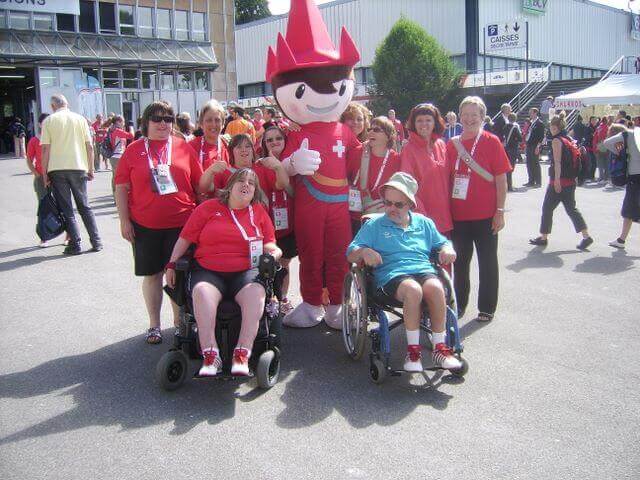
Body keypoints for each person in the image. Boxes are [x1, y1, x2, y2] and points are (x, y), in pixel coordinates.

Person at [165, 168, 282, 376]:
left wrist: (275, 253)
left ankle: (242, 354)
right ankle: (211, 355)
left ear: (255, 191)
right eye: (241, 180)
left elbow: (270, 243)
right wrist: (172, 264)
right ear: (230, 186)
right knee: (201, 292)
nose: (246, 185)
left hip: (246, 271)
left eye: (251, 183)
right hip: (209, 270)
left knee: (256, 293)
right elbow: (185, 239)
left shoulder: (258, 212)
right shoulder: (208, 208)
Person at [346, 172, 461, 371]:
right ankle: (413, 353)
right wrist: (364, 251)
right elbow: (350, 253)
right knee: (413, 290)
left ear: (410, 204)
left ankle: (440, 348)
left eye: (398, 204)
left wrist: (447, 249)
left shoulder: (424, 223)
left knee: (436, 287)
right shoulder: (374, 225)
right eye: (387, 203)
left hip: (422, 269)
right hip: (391, 275)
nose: (391, 209)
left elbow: (442, 243)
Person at [114, 101, 203, 345]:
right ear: (146, 123)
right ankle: (154, 324)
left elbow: (199, 185)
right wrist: (124, 220)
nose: (163, 123)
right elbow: (121, 187)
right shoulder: (133, 150)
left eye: (168, 119)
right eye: (157, 118)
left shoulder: (183, 147)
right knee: (153, 275)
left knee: (178, 275)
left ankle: (178, 323)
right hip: (145, 226)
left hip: (182, 226)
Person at [445, 96, 511, 323]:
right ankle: (459, 304)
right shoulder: (451, 144)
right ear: (459, 116)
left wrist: (500, 211)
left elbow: (501, 179)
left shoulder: (492, 141)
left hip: (486, 216)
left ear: (482, 117)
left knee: (488, 263)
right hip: (459, 216)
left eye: (474, 115)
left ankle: (486, 307)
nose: (469, 119)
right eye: (465, 114)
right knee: (460, 264)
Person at [41, 94, 102, 255]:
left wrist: (44, 174)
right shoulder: (80, 119)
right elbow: (90, 146)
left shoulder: (49, 121)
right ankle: (96, 241)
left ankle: (75, 244)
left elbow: (45, 149)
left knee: (66, 208)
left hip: (57, 169)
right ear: (67, 104)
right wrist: (91, 168)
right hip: (79, 167)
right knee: (84, 206)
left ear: (53, 106)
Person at [529, 114, 593, 250]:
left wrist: (556, 180)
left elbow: (557, 162)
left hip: (559, 181)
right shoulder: (568, 139)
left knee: (547, 208)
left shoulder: (557, 141)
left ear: (556, 127)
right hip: (570, 180)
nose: (550, 130)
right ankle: (586, 236)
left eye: (552, 127)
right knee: (571, 210)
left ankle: (544, 237)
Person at [260, 125, 297, 314]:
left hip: (290, 223)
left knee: (284, 264)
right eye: (269, 140)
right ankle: (270, 299)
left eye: (278, 138)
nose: (274, 142)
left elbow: (294, 192)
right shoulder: (260, 164)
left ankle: (283, 298)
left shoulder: (293, 162)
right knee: (268, 265)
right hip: (268, 225)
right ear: (264, 144)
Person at [400, 103, 452, 236]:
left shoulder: (441, 144)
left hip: (446, 217)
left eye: (428, 120)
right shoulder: (409, 149)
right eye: (419, 120)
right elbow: (407, 186)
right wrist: (421, 215)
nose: (424, 124)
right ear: (413, 124)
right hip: (424, 219)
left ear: (435, 123)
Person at [347, 115, 400, 235]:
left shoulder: (396, 159)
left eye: (376, 130)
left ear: (388, 135)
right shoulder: (357, 152)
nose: (371, 132)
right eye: (369, 129)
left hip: (383, 217)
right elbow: (343, 177)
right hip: (355, 216)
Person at [200, 133, 289, 200]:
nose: (244, 150)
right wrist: (210, 171)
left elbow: (282, 185)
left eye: (247, 146)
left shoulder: (262, 169)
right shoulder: (224, 173)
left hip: (260, 217)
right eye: (239, 147)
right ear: (231, 152)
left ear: (252, 150)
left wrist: (279, 167)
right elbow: (205, 188)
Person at [602, 124, 640, 250]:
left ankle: (621, 240)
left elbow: (607, 143)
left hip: (635, 177)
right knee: (629, 209)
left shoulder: (626, 135)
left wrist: (621, 151)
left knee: (629, 208)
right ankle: (621, 239)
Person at [188, 100, 230, 182]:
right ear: (201, 124)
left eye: (217, 120)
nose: (213, 124)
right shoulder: (191, 147)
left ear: (223, 124)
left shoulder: (229, 146)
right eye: (209, 120)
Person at [26, 113, 50, 247]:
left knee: (62, 206)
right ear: (40, 124)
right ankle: (44, 237)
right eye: (45, 122)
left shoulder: (55, 138)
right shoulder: (34, 140)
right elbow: (29, 159)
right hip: (41, 178)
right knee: (43, 208)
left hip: (56, 176)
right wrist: (36, 174)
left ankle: (68, 236)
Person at [105, 115, 134, 193]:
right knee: (119, 177)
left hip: (116, 156)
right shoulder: (117, 131)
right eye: (123, 121)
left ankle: (116, 195)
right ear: (118, 122)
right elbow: (131, 136)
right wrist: (131, 127)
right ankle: (117, 195)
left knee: (115, 176)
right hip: (117, 156)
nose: (124, 123)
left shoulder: (114, 130)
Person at [524, 107, 545, 187]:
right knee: (529, 163)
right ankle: (531, 181)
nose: (529, 114)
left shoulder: (540, 123)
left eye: (531, 113)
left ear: (535, 113)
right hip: (529, 144)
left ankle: (538, 182)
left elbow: (541, 136)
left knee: (535, 163)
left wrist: (538, 146)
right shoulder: (530, 122)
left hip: (535, 145)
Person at [503, 112, 522, 192]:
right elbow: (520, 138)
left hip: (506, 148)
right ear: (515, 119)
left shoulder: (505, 126)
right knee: (511, 168)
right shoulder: (515, 128)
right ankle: (509, 186)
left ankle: (506, 184)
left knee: (506, 167)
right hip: (513, 149)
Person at [593, 116, 611, 183]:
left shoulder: (598, 128)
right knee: (607, 163)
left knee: (600, 163)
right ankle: (606, 178)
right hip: (607, 147)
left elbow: (595, 139)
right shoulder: (608, 128)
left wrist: (595, 148)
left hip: (599, 147)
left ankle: (601, 177)